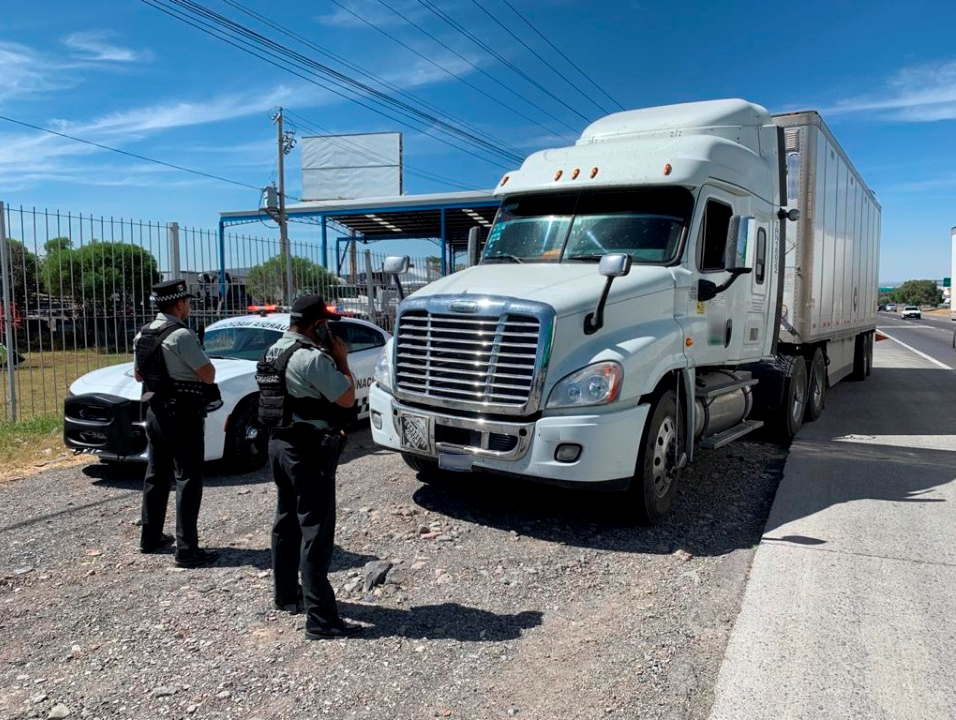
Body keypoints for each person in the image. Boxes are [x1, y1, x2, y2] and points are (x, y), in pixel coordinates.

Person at [256, 295, 362, 639]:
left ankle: (286, 594)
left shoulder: (274, 350)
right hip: (307, 450)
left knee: (287, 521)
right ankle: (321, 619)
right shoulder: (312, 358)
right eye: (325, 324)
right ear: (318, 325)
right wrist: (342, 359)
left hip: (278, 445)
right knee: (316, 531)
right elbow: (346, 397)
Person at [133, 279, 220, 568]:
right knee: (187, 477)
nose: (190, 306)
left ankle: (150, 537)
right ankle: (187, 550)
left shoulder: (143, 334)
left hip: (155, 411)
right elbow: (208, 374)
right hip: (183, 414)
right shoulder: (181, 335)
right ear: (180, 303)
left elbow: (138, 375)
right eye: (188, 302)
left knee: (156, 475)